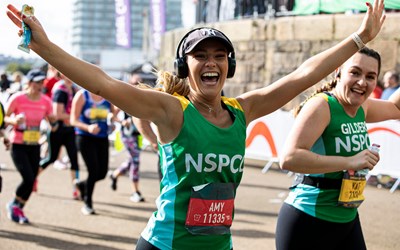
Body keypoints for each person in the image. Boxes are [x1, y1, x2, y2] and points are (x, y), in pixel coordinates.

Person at [5, 0, 385, 248]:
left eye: (219, 56)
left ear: (229, 67)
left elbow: (301, 76)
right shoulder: (173, 111)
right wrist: (44, 47)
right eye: (200, 56)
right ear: (185, 68)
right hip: (165, 245)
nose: (211, 62)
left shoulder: (242, 110)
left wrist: (358, 38)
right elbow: (104, 83)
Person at [276, 46, 400, 249]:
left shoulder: (363, 107)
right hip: (308, 218)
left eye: (370, 76)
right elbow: (289, 158)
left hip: (347, 217)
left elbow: (396, 108)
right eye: (355, 72)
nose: (362, 82)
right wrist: (351, 161)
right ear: (339, 72)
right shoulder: (322, 106)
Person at [3, 69, 54, 224]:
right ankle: (13, 204)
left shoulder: (45, 101)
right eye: (37, 82)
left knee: (32, 181)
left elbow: (51, 119)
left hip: (34, 144)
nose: (40, 85)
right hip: (18, 143)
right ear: (29, 83)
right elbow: (4, 117)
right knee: (28, 178)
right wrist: (14, 120)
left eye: (42, 82)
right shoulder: (17, 98)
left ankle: (18, 207)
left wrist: (53, 120)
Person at [70, 88, 116, 215]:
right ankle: (87, 202)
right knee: (93, 170)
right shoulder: (82, 95)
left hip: (102, 138)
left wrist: (112, 119)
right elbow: (73, 120)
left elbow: (113, 114)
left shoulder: (107, 95)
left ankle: (82, 185)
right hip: (85, 137)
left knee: (102, 173)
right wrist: (88, 127)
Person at [38, 73, 81, 200]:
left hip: (70, 130)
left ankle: (76, 189)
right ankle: (33, 179)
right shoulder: (60, 90)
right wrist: (75, 116)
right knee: (51, 158)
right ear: (61, 74)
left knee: (74, 160)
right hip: (57, 130)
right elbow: (57, 114)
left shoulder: (73, 89)